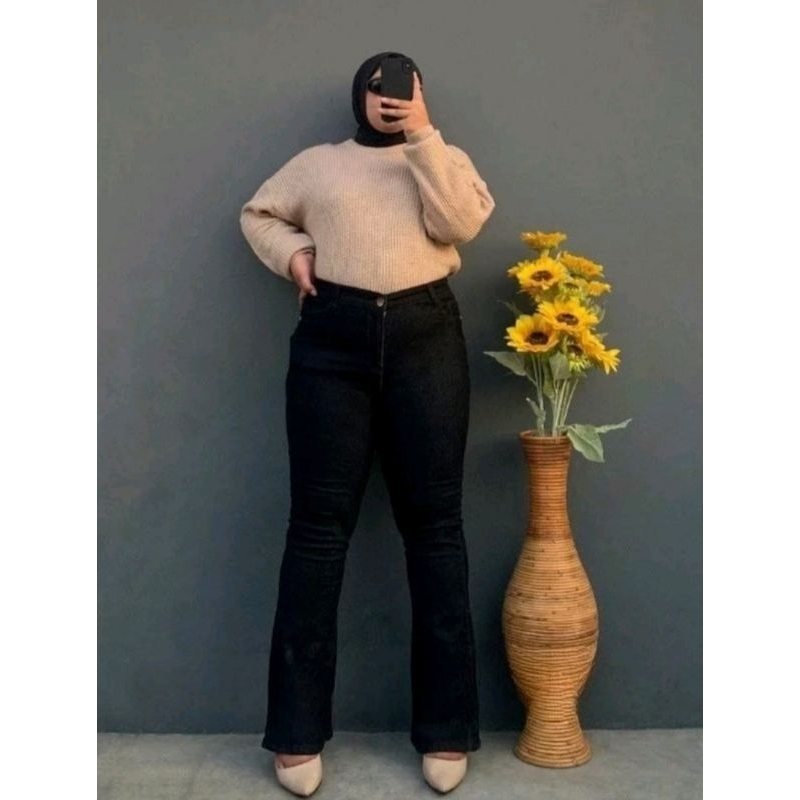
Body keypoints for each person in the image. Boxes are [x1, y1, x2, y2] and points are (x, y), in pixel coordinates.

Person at [239, 51, 495, 797]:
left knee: (436, 529)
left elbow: (461, 223)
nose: (389, 98)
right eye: (378, 88)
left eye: (403, 88)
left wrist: (423, 138)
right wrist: (294, 253)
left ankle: (446, 729)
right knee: (317, 531)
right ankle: (294, 735)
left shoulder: (443, 158)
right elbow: (258, 214)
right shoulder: (318, 164)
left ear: (421, 94)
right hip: (332, 341)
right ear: (359, 93)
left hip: (427, 336)